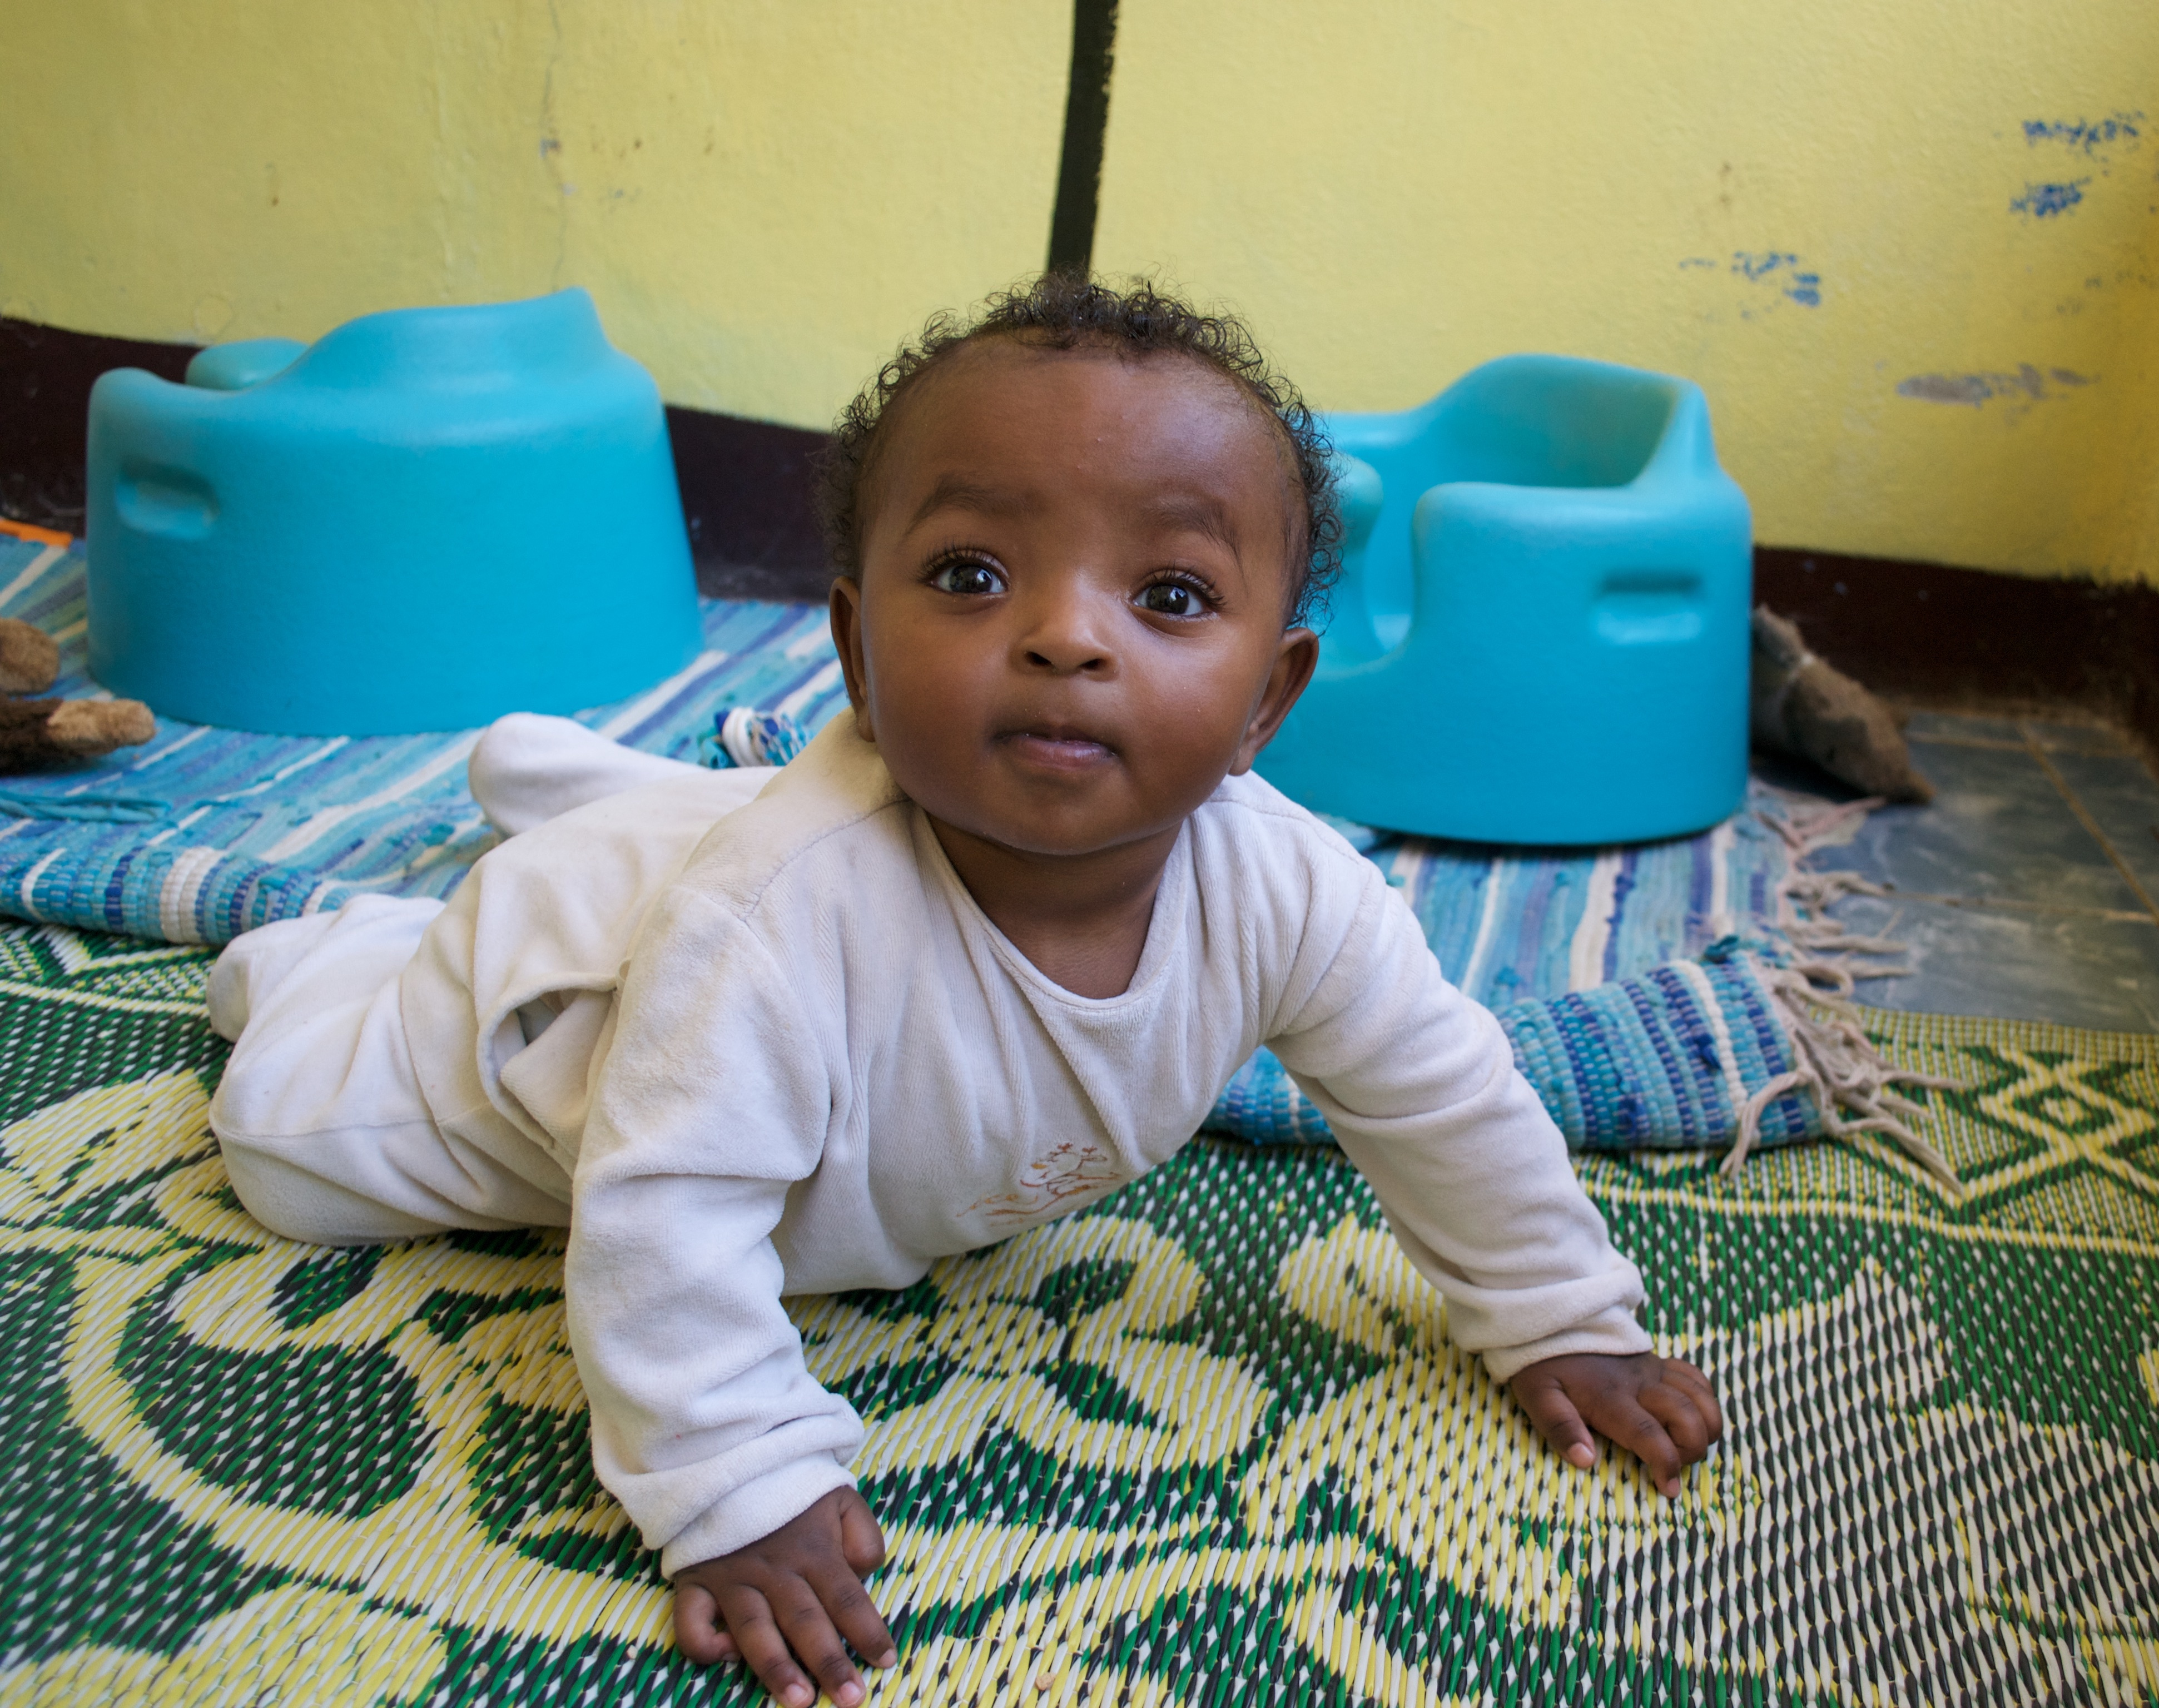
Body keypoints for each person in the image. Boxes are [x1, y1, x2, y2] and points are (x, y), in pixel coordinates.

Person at [206, 275, 1724, 1707]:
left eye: (1174, 593)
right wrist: (739, 1481)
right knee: (293, 1150)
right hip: (561, 1041)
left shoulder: (1292, 891)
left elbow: (1440, 1096)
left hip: (739, 927)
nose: (1067, 633)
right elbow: (660, 1215)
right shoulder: (778, 924)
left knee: (687, 863)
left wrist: (1556, 1313)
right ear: (859, 652)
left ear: (1272, 697)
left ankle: (607, 807)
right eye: (974, 575)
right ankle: (340, 957)